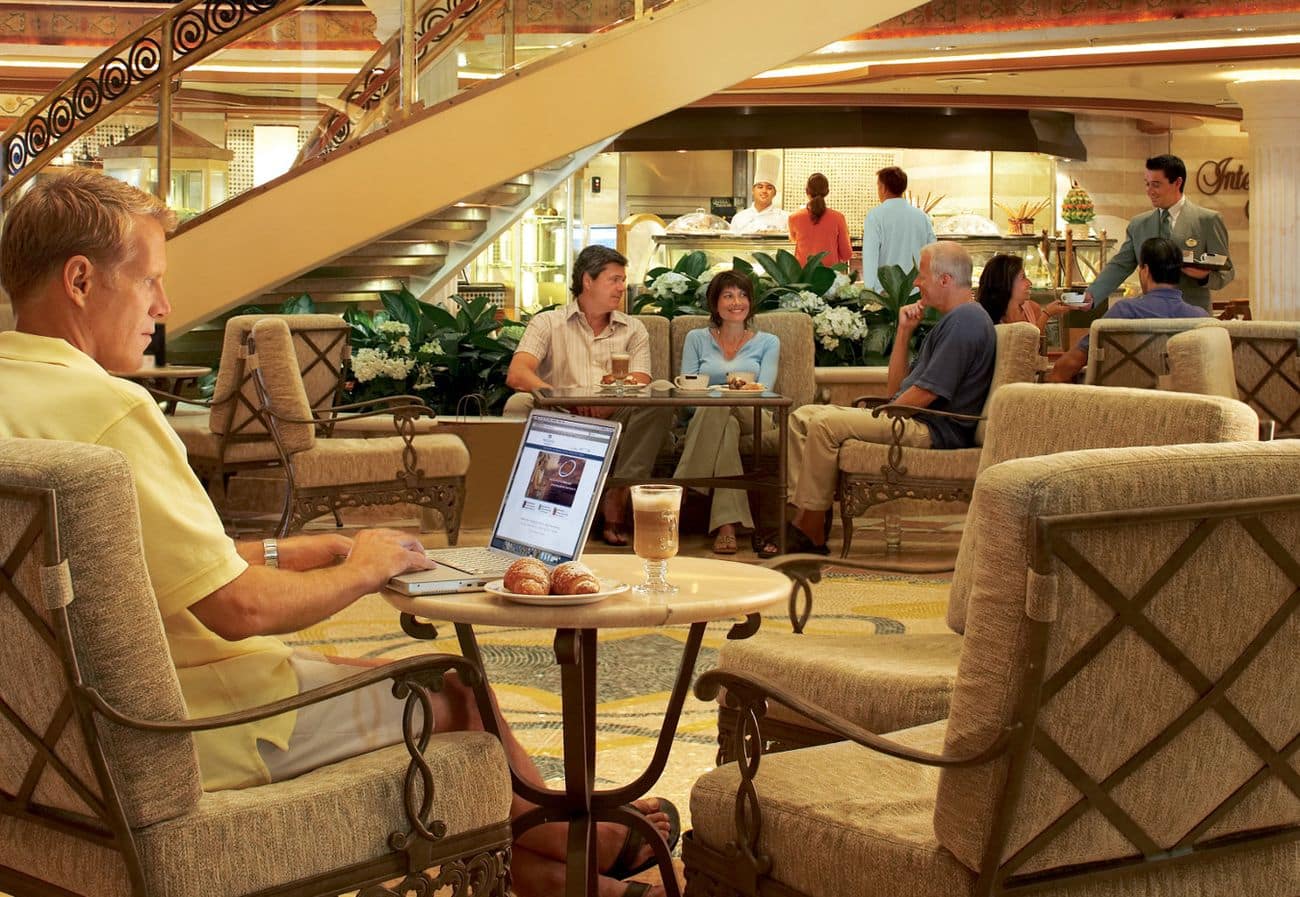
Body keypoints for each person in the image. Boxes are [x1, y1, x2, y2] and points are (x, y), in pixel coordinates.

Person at [0, 170, 674, 897]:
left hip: (47, 749)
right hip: (190, 728)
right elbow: (241, 609)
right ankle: (588, 842)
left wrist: (292, 549)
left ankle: (561, 873)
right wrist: (363, 566)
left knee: (360, 664)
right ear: (78, 280)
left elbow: (132, 569)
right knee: (459, 689)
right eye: (150, 282)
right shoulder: (111, 414)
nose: (163, 307)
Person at [770, 241, 995, 557]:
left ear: (945, 280)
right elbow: (896, 390)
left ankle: (809, 528)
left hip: (932, 431)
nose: (917, 283)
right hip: (912, 418)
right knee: (802, 417)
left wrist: (888, 413)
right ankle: (805, 514)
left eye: (923, 275)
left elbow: (927, 393)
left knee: (823, 423)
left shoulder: (966, 321)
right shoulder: (952, 320)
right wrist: (904, 332)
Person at [506, 245, 674, 547]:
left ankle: (618, 493)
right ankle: (532, 515)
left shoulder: (633, 328)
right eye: (614, 280)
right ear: (588, 280)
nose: (622, 287)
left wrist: (607, 402)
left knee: (659, 396)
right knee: (518, 403)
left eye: (623, 280)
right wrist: (559, 397)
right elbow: (519, 372)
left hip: (618, 414)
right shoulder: (548, 323)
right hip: (562, 413)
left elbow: (642, 378)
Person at [673, 271, 779, 554]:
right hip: (708, 414)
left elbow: (765, 392)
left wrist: (726, 393)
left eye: (743, 295)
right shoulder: (696, 338)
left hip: (753, 415)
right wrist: (722, 395)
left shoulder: (768, 342)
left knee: (724, 408)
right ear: (715, 302)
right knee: (725, 426)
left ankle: (682, 486)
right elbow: (687, 393)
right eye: (728, 295)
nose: (737, 302)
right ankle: (727, 527)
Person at [1047, 236, 1210, 383]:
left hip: (1124, 407)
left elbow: (1068, 365)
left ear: (1145, 271)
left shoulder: (1124, 312)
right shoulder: (1200, 319)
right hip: (1180, 408)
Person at [1084, 154, 1232, 313]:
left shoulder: (1207, 220)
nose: (1149, 191)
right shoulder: (1138, 224)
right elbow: (1120, 265)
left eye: (1156, 185)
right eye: (1147, 184)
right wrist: (1092, 295)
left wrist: (1204, 277)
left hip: (1193, 318)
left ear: (1177, 182)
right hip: (1150, 316)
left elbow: (1226, 272)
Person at [861, 166, 936, 294]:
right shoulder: (922, 217)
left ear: (883, 188)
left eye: (878, 186)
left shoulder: (875, 216)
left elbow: (870, 257)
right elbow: (933, 252)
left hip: (886, 292)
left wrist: (869, 292)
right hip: (917, 290)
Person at [977, 253, 1070, 330]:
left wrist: (1046, 314)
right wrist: (1047, 314)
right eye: (1023, 277)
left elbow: (1035, 344)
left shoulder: (1033, 309)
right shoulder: (984, 319)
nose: (1029, 283)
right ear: (1006, 283)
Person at [787, 172, 852, 267]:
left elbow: (793, 239)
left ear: (806, 191)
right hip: (829, 275)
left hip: (802, 276)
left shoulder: (794, 217)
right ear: (827, 192)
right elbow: (846, 254)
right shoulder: (838, 217)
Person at [730, 156, 789, 235]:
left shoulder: (785, 218)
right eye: (760, 187)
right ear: (753, 190)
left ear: (774, 193)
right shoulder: (739, 218)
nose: (764, 191)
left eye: (769, 188)